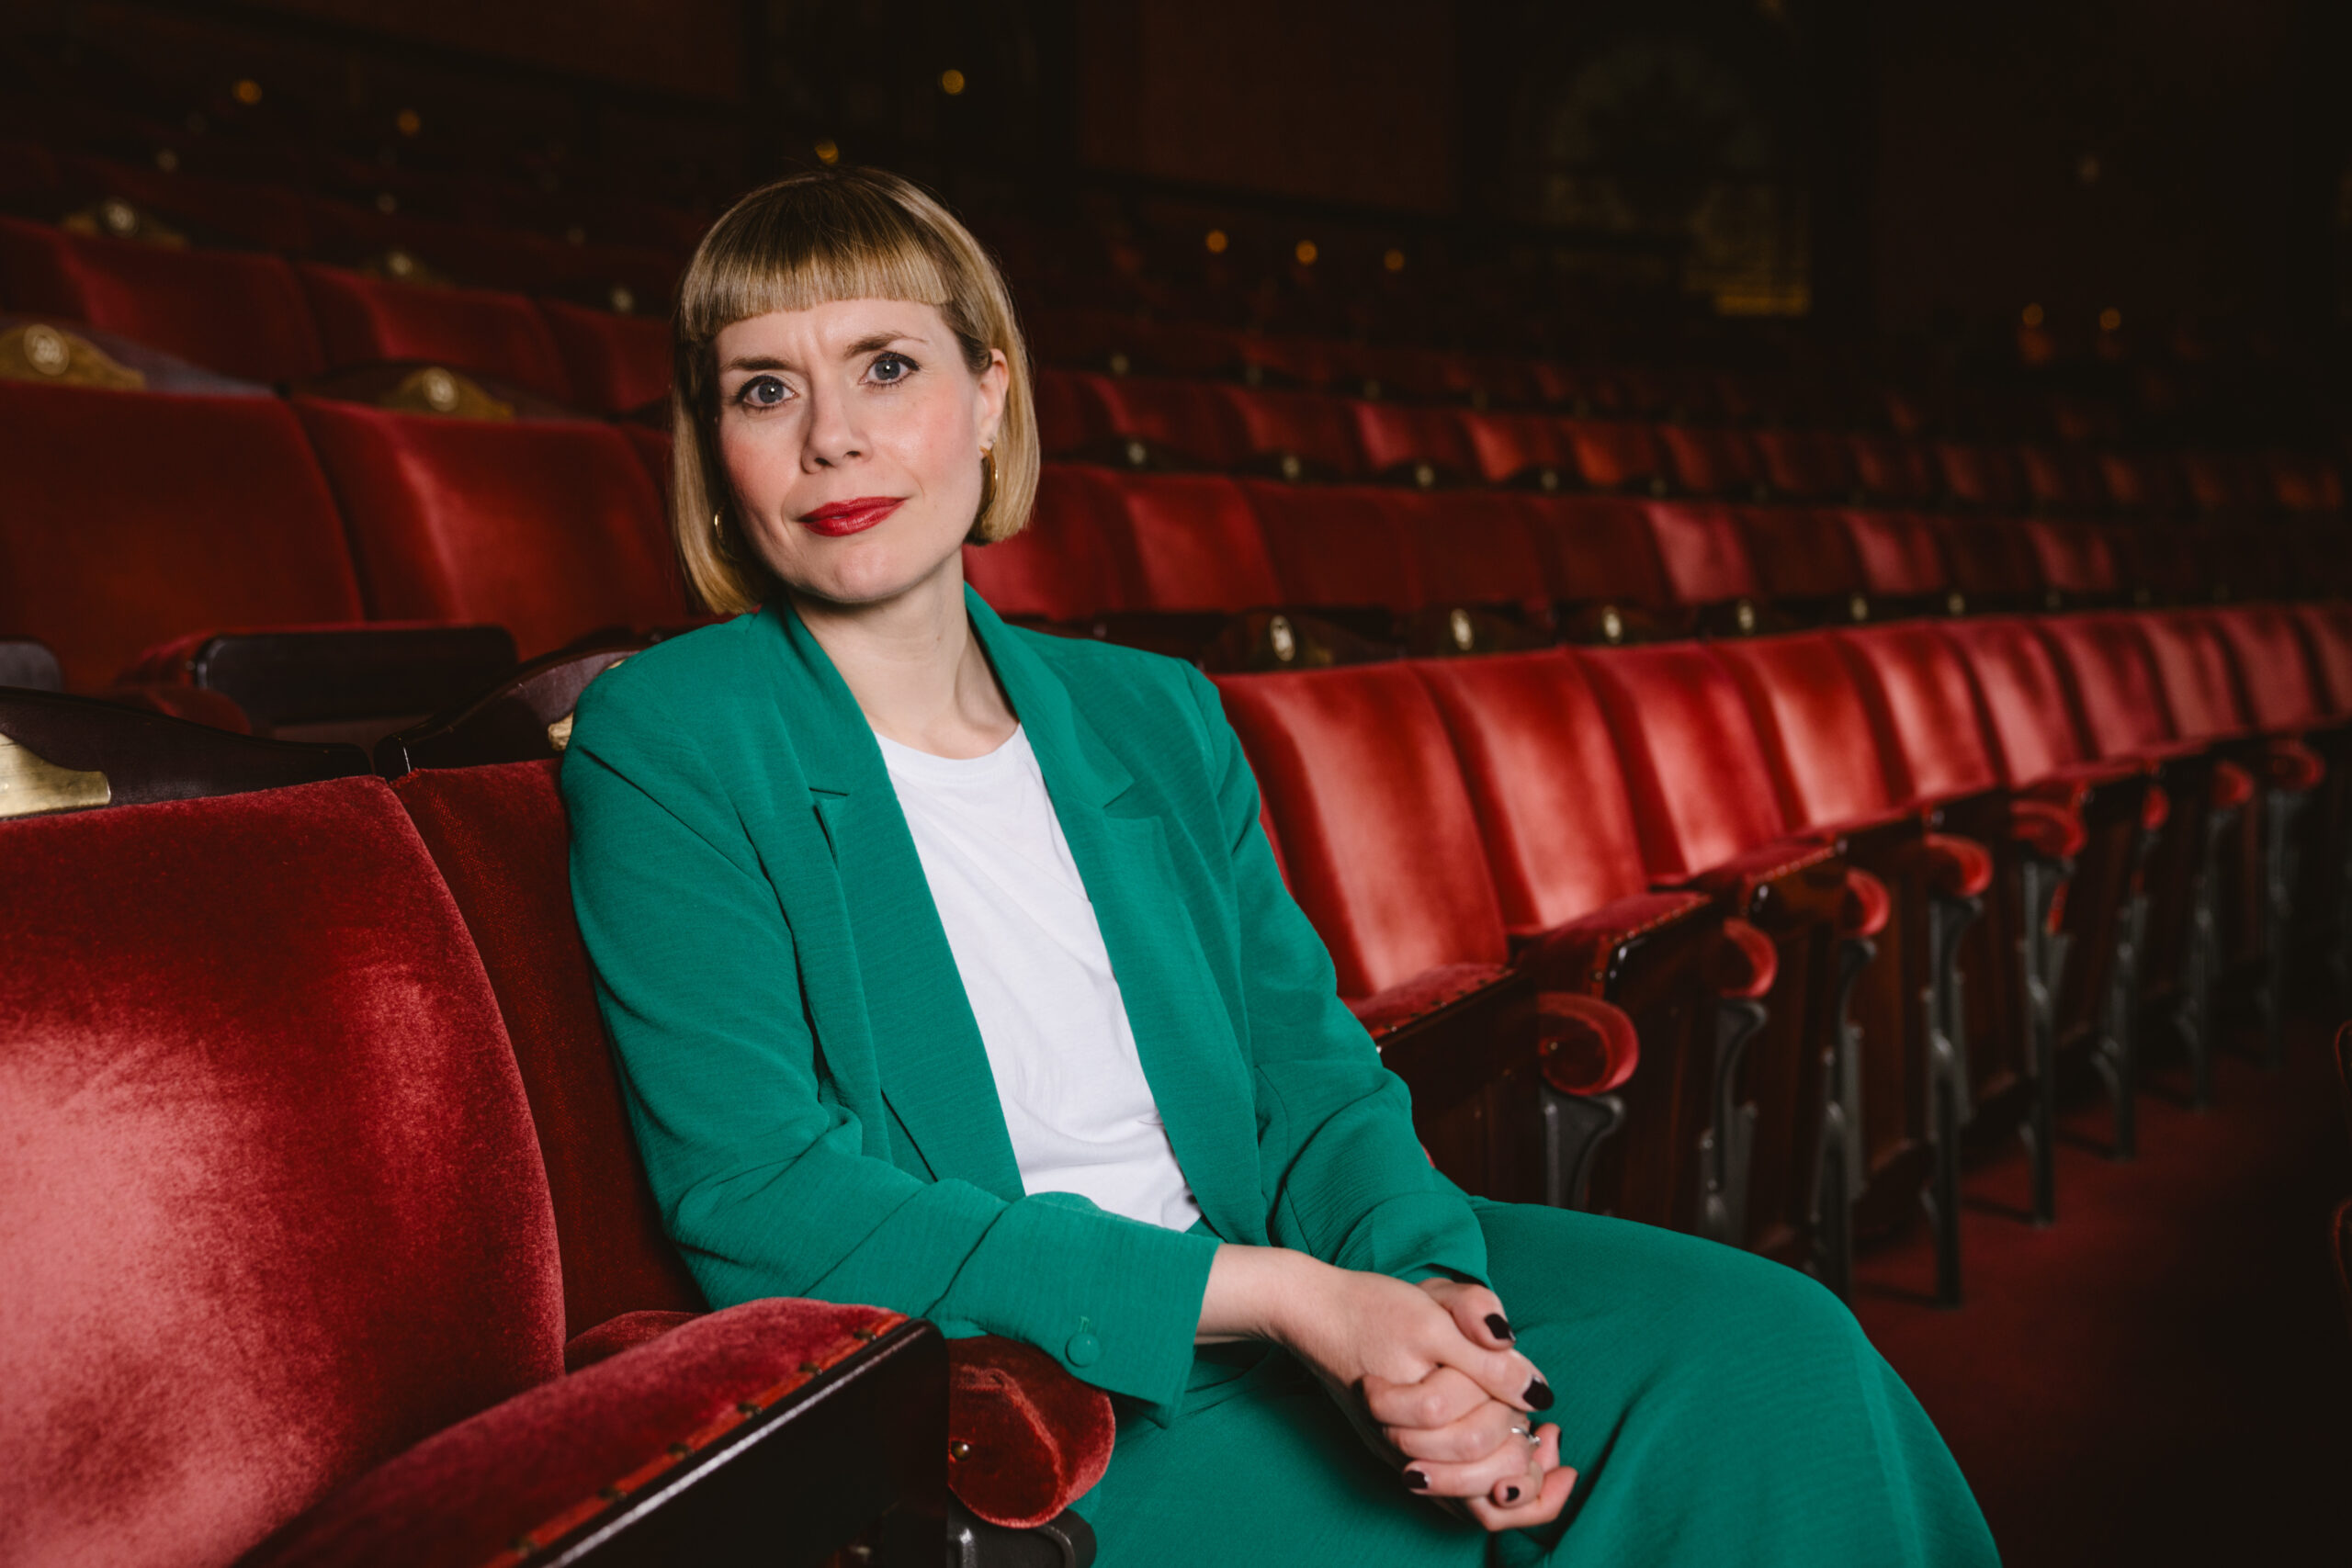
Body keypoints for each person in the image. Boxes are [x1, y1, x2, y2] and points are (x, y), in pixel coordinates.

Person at [562, 167, 1998, 1565]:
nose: (832, 439)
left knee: (1774, 1360)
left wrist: (1434, 1309)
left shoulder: (1155, 713)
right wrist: (1297, 1306)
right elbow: (761, 1198)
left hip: (1293, 1261)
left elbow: (1308, 1077)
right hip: (1038, 1371)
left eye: (885, 366)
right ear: (715, 448)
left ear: (990, 396)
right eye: (766, 389)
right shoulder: (674, 735)